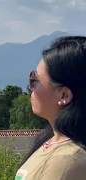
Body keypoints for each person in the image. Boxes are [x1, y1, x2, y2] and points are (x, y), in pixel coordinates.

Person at [15, 36, 86, 180]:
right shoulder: (53, 142)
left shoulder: (67, 162)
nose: (30, 87)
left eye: (35, 80)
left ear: (64, 95)